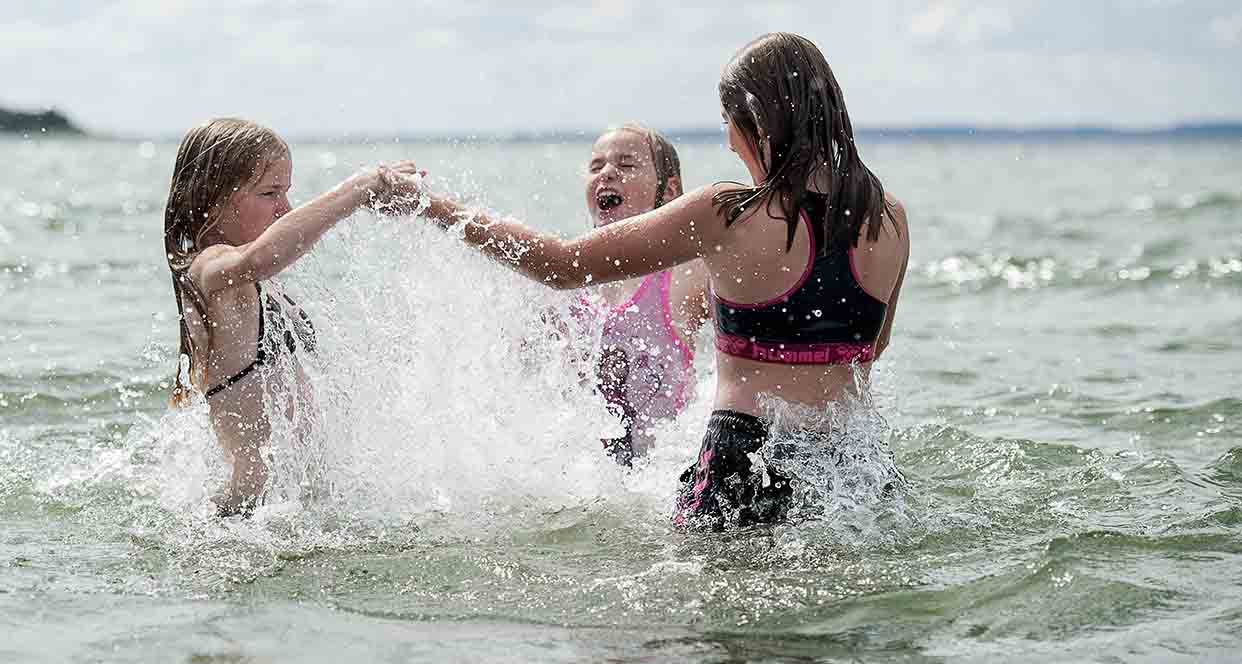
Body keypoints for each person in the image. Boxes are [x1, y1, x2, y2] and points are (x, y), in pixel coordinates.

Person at [408, 34, 910, 530]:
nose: (728, 143)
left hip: (746, 459)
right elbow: (874, 348)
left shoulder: (728, 213)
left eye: (728, 122)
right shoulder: (890, 219)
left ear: (757, 122)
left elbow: (561, 265)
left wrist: (430, 206)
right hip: (854, 466)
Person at [162, 117, 415, 516]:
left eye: (286, 192)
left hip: (287, 506)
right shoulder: (209, 270)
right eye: (270, 193)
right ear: (213, 196)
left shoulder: (247, 281)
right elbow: (260, 258)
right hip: (245, 515)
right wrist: (358, 190)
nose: (285, 209)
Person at [566, 124, 709, 466]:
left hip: (662, 473)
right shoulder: (568, 280)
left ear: (669, 190)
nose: (607, 173)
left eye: (626, 164)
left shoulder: (685, 273)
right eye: (596, 166)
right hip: (588, 477)